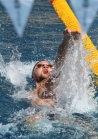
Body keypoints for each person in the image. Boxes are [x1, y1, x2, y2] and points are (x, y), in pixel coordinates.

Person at [24, 29, 81, 123]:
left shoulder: (52, 81)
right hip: (37, 114)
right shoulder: (27, 92)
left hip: (57, 114)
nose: (45, 66)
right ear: (33, 76)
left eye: (50, 66)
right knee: (30, 121)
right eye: (40, 66)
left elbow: (60, 58)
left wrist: (66, 39)